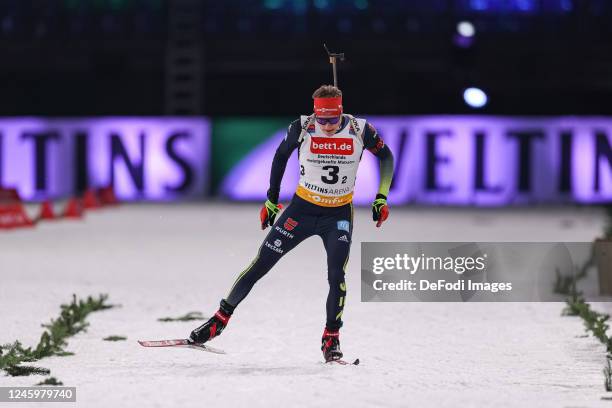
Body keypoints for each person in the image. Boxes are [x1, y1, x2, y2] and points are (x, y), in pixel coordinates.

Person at [190, 85, 395, 362]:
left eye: (333, 120)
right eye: (321, 120)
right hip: (301, 210)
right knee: (260, 263)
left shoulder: (360, 129)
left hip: (337, 216)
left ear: (341, 112)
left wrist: (381, 197)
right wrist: (271, 201)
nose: (327, 127)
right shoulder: (302, 126)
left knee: (337, 275)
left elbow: (386, 156)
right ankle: (218, 320)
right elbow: (280, 156)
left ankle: (331, 339)